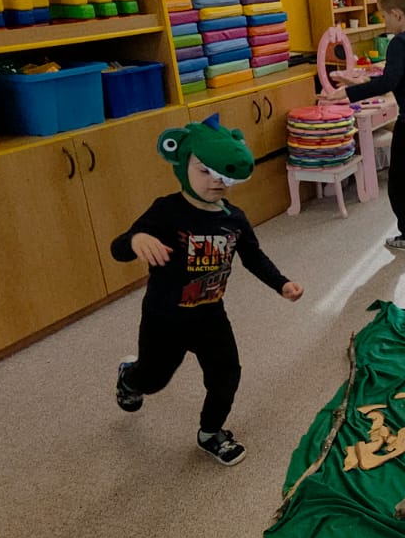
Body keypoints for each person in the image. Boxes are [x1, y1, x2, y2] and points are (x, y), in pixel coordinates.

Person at [112, 117, 304, 467]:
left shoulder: (234, 218)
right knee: (153, 380)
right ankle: (130, 377)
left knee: (226, 374)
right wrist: (137, 239)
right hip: (164, 318)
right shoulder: (166, 210)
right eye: (204, 171)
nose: (216, 181)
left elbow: (253, 257)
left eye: (222, 175)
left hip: (210, 315)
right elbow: (118, 248)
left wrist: (281, 283)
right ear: (183, 166)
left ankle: (210, 432)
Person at [330, 0, 405, 252]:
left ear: (397, 14)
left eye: (384, 16)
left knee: (398, 183)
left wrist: (347, 92)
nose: (384, 22)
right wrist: (360, 81)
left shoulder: (399, 43)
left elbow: (389, 82)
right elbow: (403, 79)